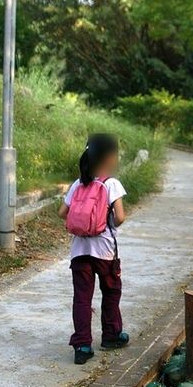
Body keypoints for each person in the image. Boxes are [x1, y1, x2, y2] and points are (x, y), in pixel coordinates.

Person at [58, 133, 129, 365]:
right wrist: (106, 222)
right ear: (109, 157)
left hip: (79, 252)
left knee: (82, 298)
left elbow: (62, 213)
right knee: (110, 292)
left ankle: (82, 345)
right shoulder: (111, 183)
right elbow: (120, 217)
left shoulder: (78, 184)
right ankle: (111, 335)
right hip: (105, 252)